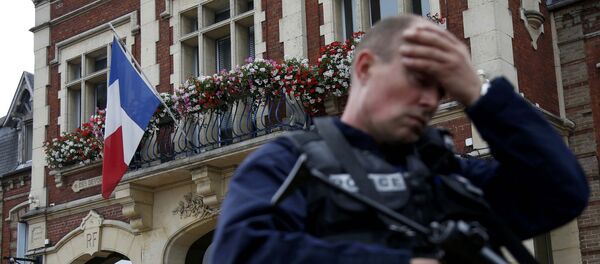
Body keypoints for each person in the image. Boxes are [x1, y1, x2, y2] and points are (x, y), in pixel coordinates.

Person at [210, 15, 589, 263]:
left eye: (443, 90)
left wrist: (478, 92)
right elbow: (239, 252)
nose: (429, 99)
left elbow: (560, 193)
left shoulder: (441, 176)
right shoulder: (289, 162)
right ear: (366, 67)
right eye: (419, 80)